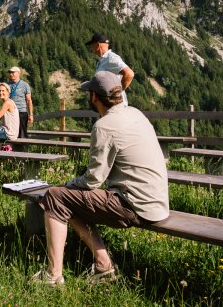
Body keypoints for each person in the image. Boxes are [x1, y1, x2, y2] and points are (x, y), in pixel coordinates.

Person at [30, 70, 169, 286]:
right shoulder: (136, 113)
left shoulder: (104, 126)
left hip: (135, 206)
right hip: (157, 202)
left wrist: (67, 185)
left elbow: (93, 180)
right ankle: (103, 264)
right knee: (69, 199)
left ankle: (53, 276)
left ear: (94, 97)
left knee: (56, 197)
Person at [86, 32, 135, 107]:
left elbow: (129, 74)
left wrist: (115, 95)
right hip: (110, 106)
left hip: (116, 106)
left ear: (98, 45)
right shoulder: (104, 60)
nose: (91, 47)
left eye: (92, 44)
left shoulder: (110, 58)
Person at [0, 66, 33, 138]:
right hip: (11, 113)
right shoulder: (8, 84)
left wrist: (31, 114)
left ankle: (22, 148)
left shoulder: (25, 85)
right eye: (10, 73)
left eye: (13, 72)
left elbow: (29, 100)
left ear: (18, 73)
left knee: (22, 135)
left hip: (21, 112)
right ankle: (12, 148)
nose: (11, 74)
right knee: (11, 134)